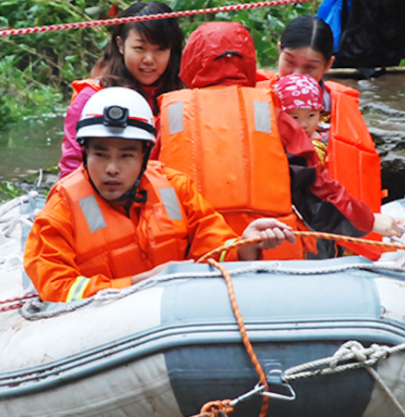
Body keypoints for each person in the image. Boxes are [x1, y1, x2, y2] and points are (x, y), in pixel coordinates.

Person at [159, 21, 405, 262]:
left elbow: (147, 186)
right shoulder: (271, 113)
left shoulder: (167, 116)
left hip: (192, 252)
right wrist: (369, 221)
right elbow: (315, 189)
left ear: (190, 61)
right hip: (270, 250)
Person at [25, 87, 297, 303]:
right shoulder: (62, 208)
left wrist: (247, 245)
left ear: (145, 156)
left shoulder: (176, 188)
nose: (111, 168)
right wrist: (139, 283)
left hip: (177, 317)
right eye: (100, 154)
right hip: (102, 331)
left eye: (126, 155)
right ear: (84, 153)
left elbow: (214, 252)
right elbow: (56, 288)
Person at [256, 14, 385, 233]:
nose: (297, 74)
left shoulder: (340, 106)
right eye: (289, 62)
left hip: (327, 214)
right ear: (279, 51)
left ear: (328, 65)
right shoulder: (255, 99)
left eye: (310, 68)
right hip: (270, 217)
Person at [59, 1, 185, 178]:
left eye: (160, 49)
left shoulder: (184, 98)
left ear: (172, 50)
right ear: (120, 45)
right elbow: (71, 168)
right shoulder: (91, 98)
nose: (149, 59)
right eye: (139, 48)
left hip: (169, 196)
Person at [274, 73, 328, 164]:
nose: (303, 124)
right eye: (295, 117)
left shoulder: (325, 142)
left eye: (311, 115)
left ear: (320, 112)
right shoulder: (273, 139)